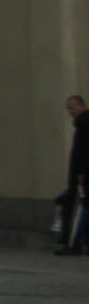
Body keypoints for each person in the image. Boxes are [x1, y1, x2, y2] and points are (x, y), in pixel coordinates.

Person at [58, 95, 89, 253]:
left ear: (80, 106)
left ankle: (72, 242)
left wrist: (81, 174)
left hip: (81, 175)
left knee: (76, 209)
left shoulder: (84, 124)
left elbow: (82, 152)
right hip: (80, 174)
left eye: (71, 108)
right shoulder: (81, 124)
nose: (70, 112)